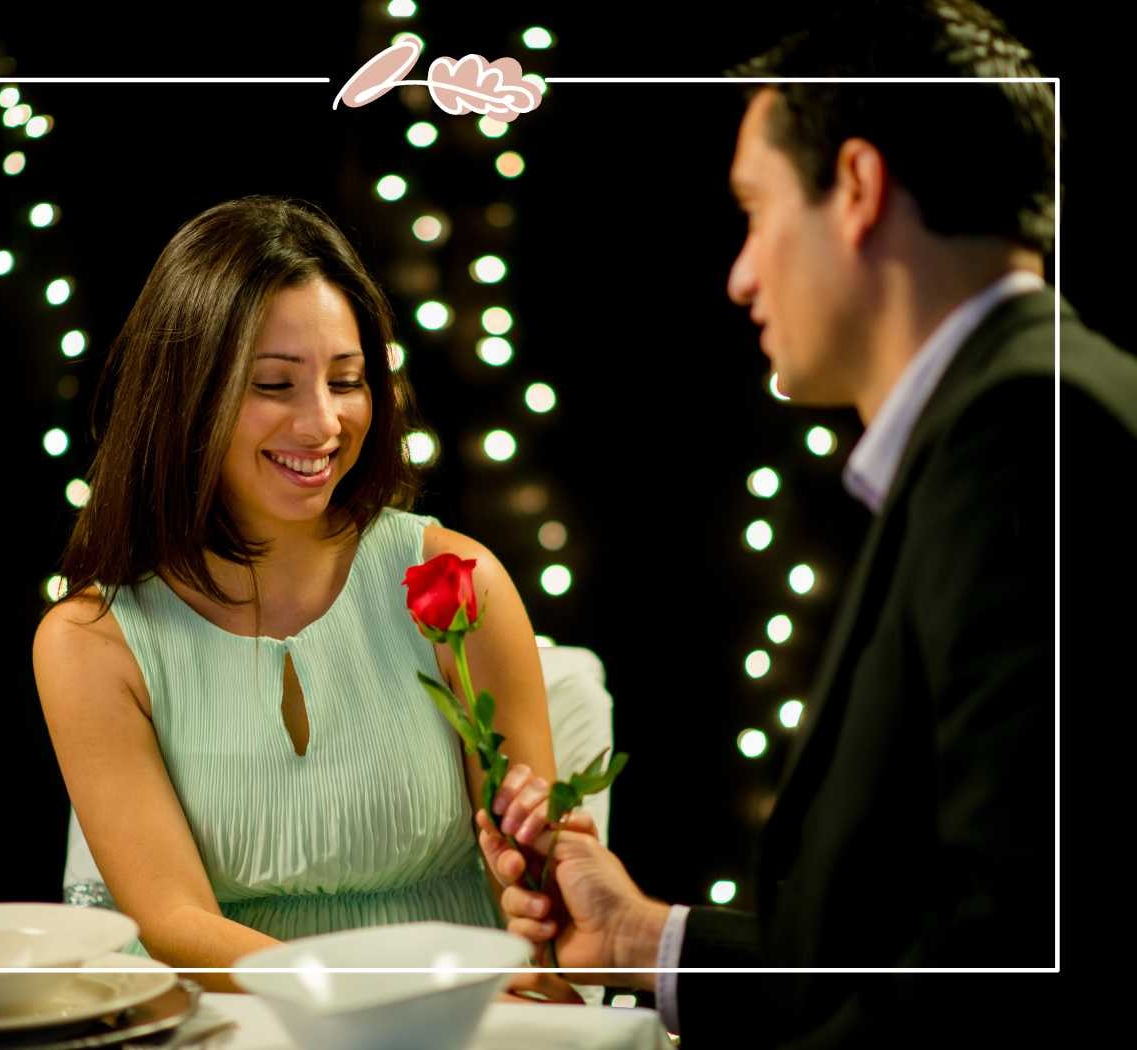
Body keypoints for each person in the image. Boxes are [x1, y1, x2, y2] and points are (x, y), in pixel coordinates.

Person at [479, 1, 1137, 1045]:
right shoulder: (1002, 416)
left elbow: (1003, 960)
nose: (739, 273)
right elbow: (910, 937)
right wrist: (640, 938)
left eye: (753, 208)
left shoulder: (1023, 432)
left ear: (859, 190)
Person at [32, 197, 563, 992]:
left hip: (455, 1020)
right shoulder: (92, 641)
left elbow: (531, 907)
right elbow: (174, 921)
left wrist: (543, 871)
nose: (323, 423)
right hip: (231, 1027)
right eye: (275, 385)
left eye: (347, 381)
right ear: (185, 396)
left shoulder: (455, 584)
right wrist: (359, 997)